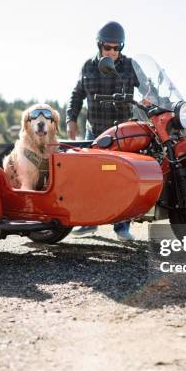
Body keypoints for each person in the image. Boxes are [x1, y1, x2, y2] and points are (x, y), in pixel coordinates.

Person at [66, 21, 140, 241]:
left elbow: (146, 87)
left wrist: (148, 95)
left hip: (122, 131)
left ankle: (122, 227)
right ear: (99, 46)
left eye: (117, 48)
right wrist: (71, 119)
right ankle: (89, 223)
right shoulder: (88, 66)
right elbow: (77, 94)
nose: (112, 52)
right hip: (94, 131)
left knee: (123, 179)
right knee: (90, 179)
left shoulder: (129, 66)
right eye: (108, 47)